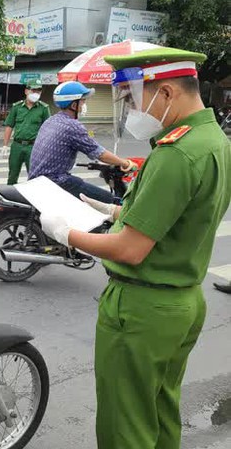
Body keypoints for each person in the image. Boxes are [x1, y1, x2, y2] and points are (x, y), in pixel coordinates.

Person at [39, 47, 231, 449]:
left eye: (131, 97)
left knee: (125, 427)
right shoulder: (214, 141)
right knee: (159, 414)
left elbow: (129, 250)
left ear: (165, 93)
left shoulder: (176, 153)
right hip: (181, 301)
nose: (129, 109)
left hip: (143, 309)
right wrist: (111, 209)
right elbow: (176, 217)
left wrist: (66, 234)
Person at [29, 80, 136, 203]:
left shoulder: (51, 121)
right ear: (74, 105)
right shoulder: (72, 126)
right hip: (56, 181)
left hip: (38, 180)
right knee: (109, 200)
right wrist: (126, 163)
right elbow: (99, 153)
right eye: (83, 100)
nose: (84, 104)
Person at [0, 79, 50, 185]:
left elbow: (48, 130)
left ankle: (32, 199)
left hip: (33, 147)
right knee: (12, 175)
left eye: (38, 91)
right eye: (33, 90)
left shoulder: (44, 108)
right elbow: (9, 126)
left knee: (34, 176)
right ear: (26, 91)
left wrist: (45, 148)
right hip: (17, 146)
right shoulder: (17, 107)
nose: (36, 93)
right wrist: (5, 145)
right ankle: (10, 198)